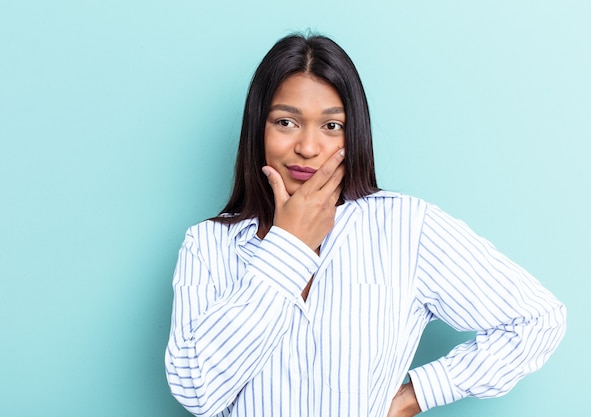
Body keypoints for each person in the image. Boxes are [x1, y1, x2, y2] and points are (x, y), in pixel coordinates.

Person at [165, 33, 566, 417]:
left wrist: (416, 396)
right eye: (286, 122)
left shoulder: (407, 228)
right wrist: (290, 244)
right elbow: (197, 392)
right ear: (258, 129)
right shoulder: (208, 245)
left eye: (331, 126)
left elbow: (537, 319)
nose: (307, 147)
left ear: (354, 134)